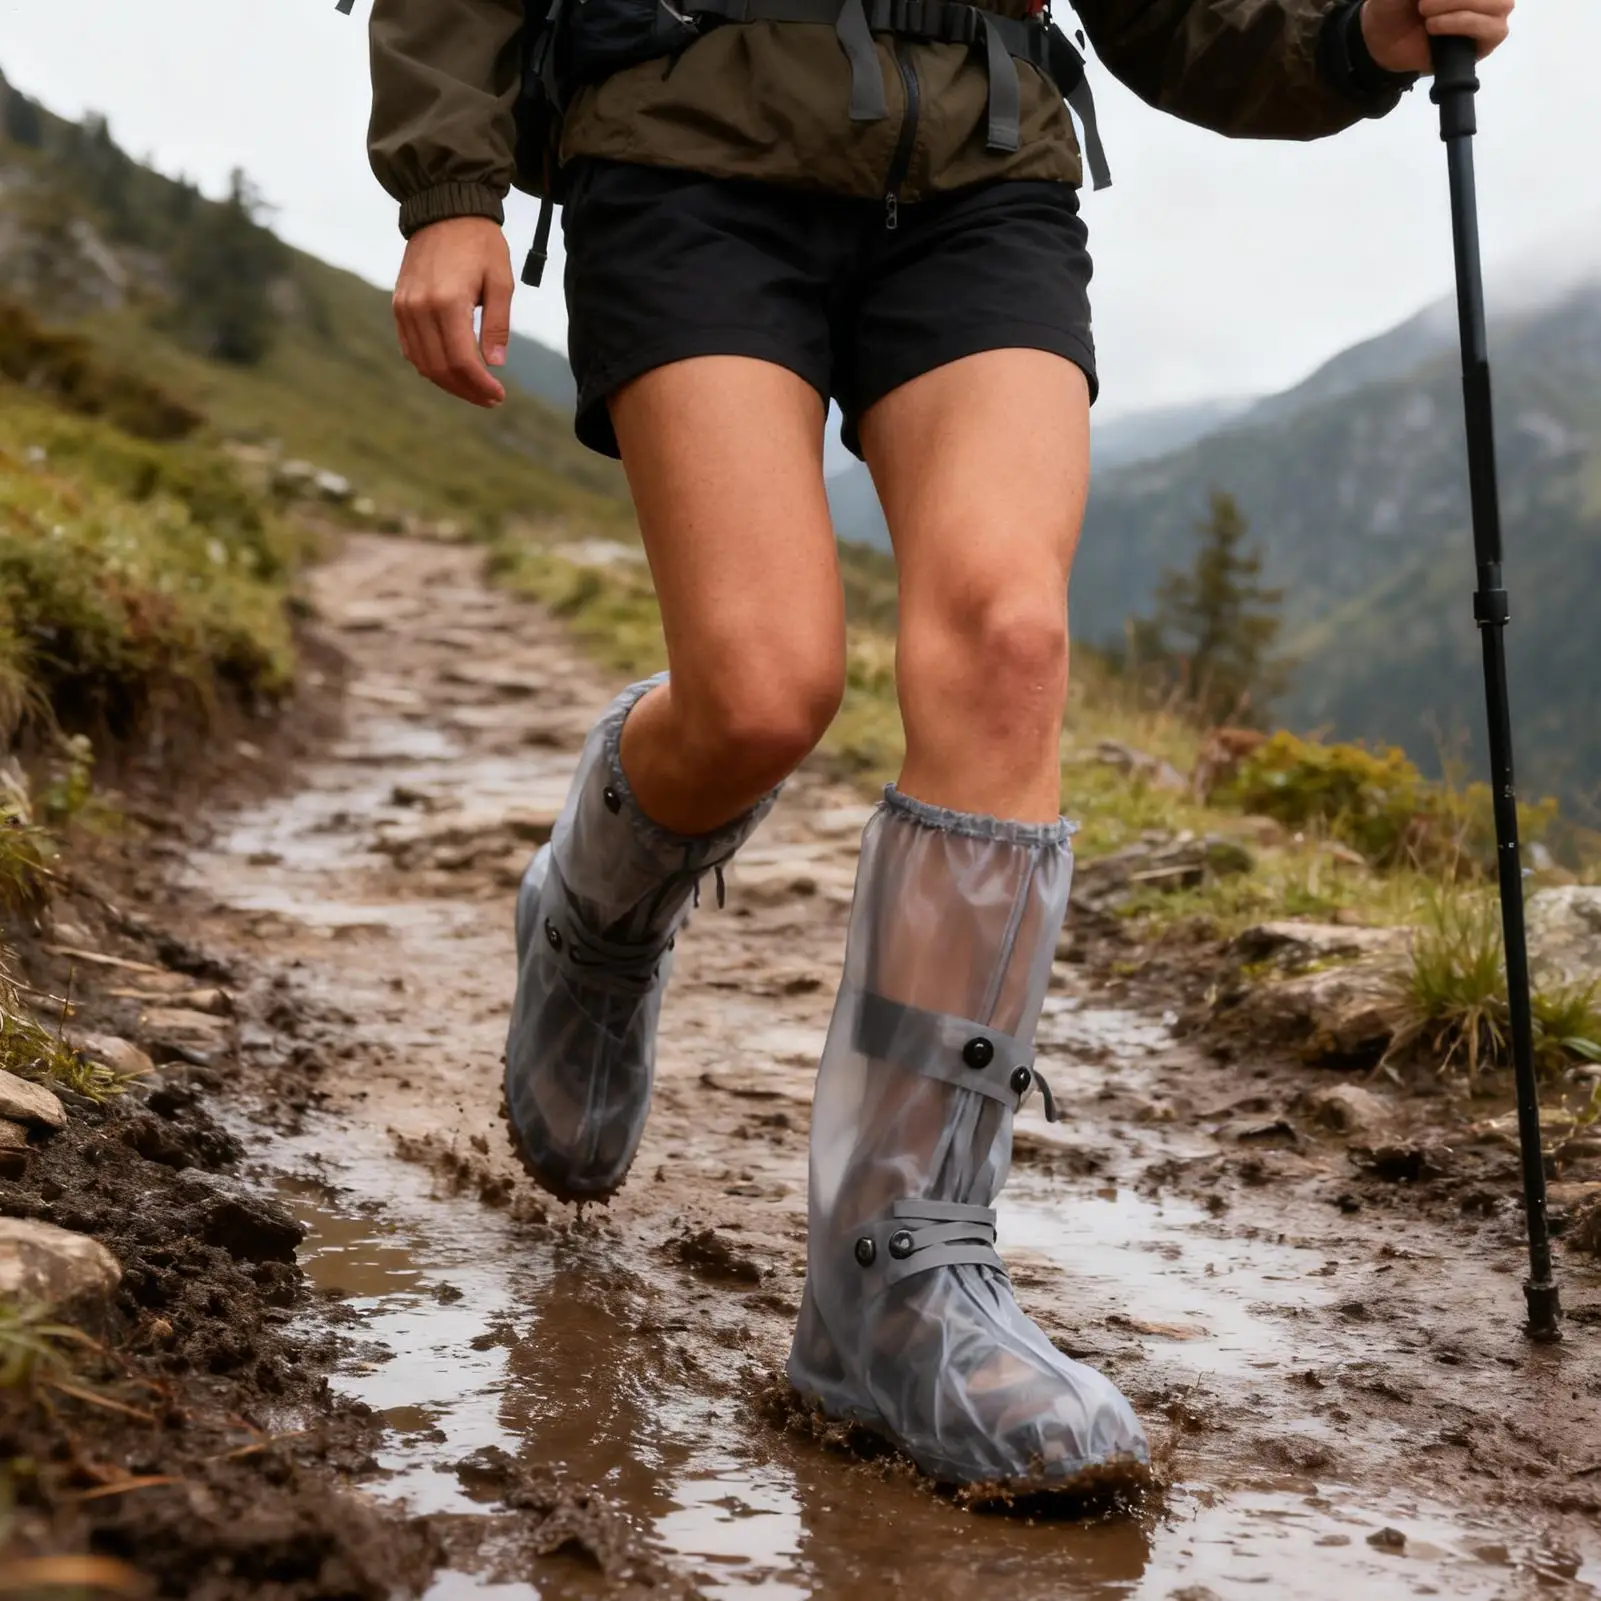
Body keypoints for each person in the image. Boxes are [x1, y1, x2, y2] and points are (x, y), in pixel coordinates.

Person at [361, 0, 1514, 1494]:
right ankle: (593, 908)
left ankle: (899, 1277)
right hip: (683, 132)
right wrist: (452, 186)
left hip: (983, 162)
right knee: (764, 690)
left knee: (1010, 644)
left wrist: (1358, 35)